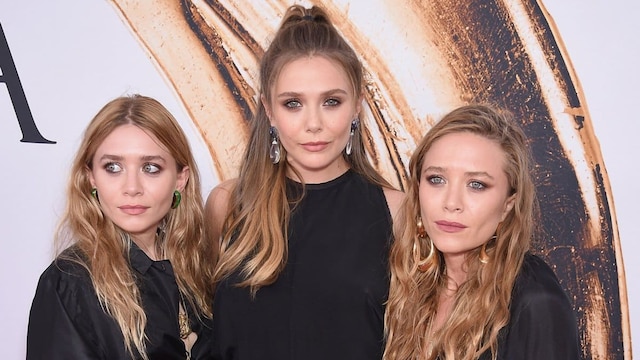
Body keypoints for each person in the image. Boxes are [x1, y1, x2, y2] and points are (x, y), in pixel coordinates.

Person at [205, 4, 404, 360]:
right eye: (293, 103)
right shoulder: (228, 203)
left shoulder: (396, 211)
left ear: (357, 106)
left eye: (331, 101)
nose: (314, 123)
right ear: (269, 110)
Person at [383, 104, 581, 360]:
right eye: (436, 179)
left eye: (476, 185)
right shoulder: (413, 287)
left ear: (507, 206)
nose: (451, 202)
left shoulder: (534, 301)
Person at [27, 94, 215, 360]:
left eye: (150, 167)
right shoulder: (69, 282)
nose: (132, 188)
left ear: (180, 179)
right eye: (113, 167)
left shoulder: (200, 265)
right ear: (91, 176)